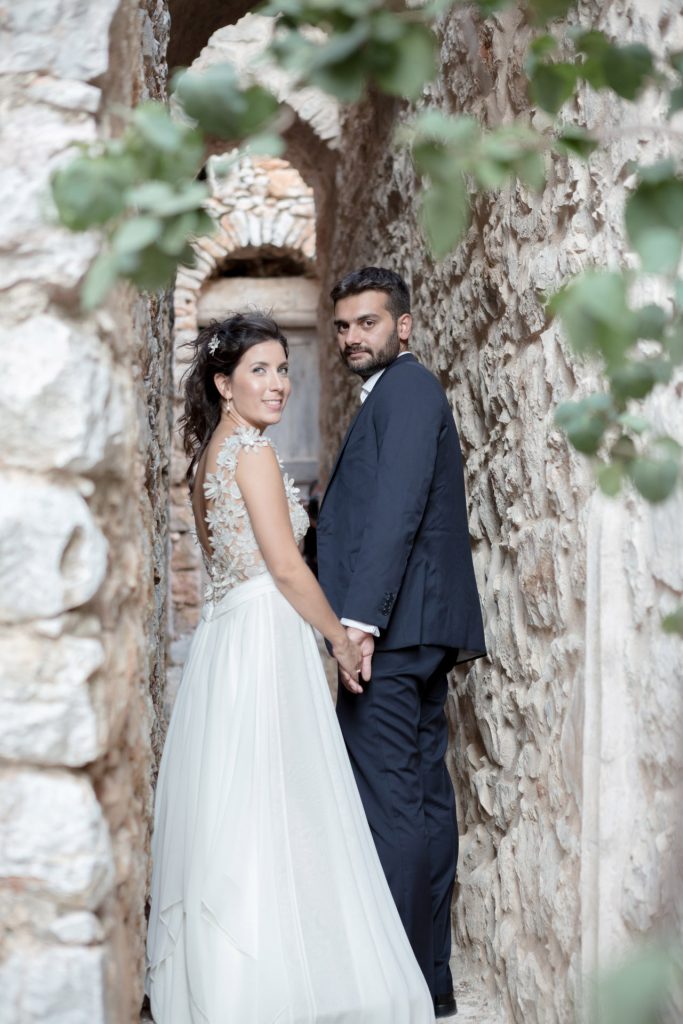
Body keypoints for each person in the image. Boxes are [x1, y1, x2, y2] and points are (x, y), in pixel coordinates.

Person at [144, 312, 435, 1024]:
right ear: (223, 382)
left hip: (226, 639)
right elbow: (282, 567)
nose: (278, 384)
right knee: (282, 801)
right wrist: (338, 638)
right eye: (260, 371)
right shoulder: (252, 453)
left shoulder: (211, 453)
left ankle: (228, 975)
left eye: (283, 368)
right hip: (264, 638)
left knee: (239, 803)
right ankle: (276, 979)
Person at [316, 268, 487, 1020]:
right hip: (415, 630)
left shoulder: (409, 391)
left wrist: (360, 623)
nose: (353, 337)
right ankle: (428, 982)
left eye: (368, 323)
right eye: (344, 327)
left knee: (391, 806)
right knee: (418, 799)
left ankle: (400, 985)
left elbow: (394, 512)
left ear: (403, 326)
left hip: (393, 633)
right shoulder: (394, 394)